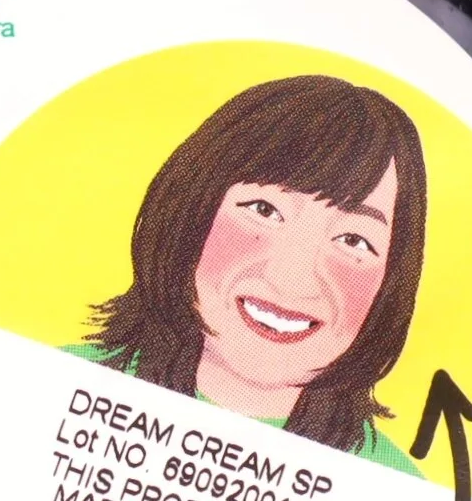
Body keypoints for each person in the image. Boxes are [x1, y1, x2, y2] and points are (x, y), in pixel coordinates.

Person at [67, 74, 427, 475]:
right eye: (264, 210)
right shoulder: (52, 386)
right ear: (190, 211)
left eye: (353, 240)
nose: (292, 279)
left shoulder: (394, 485)